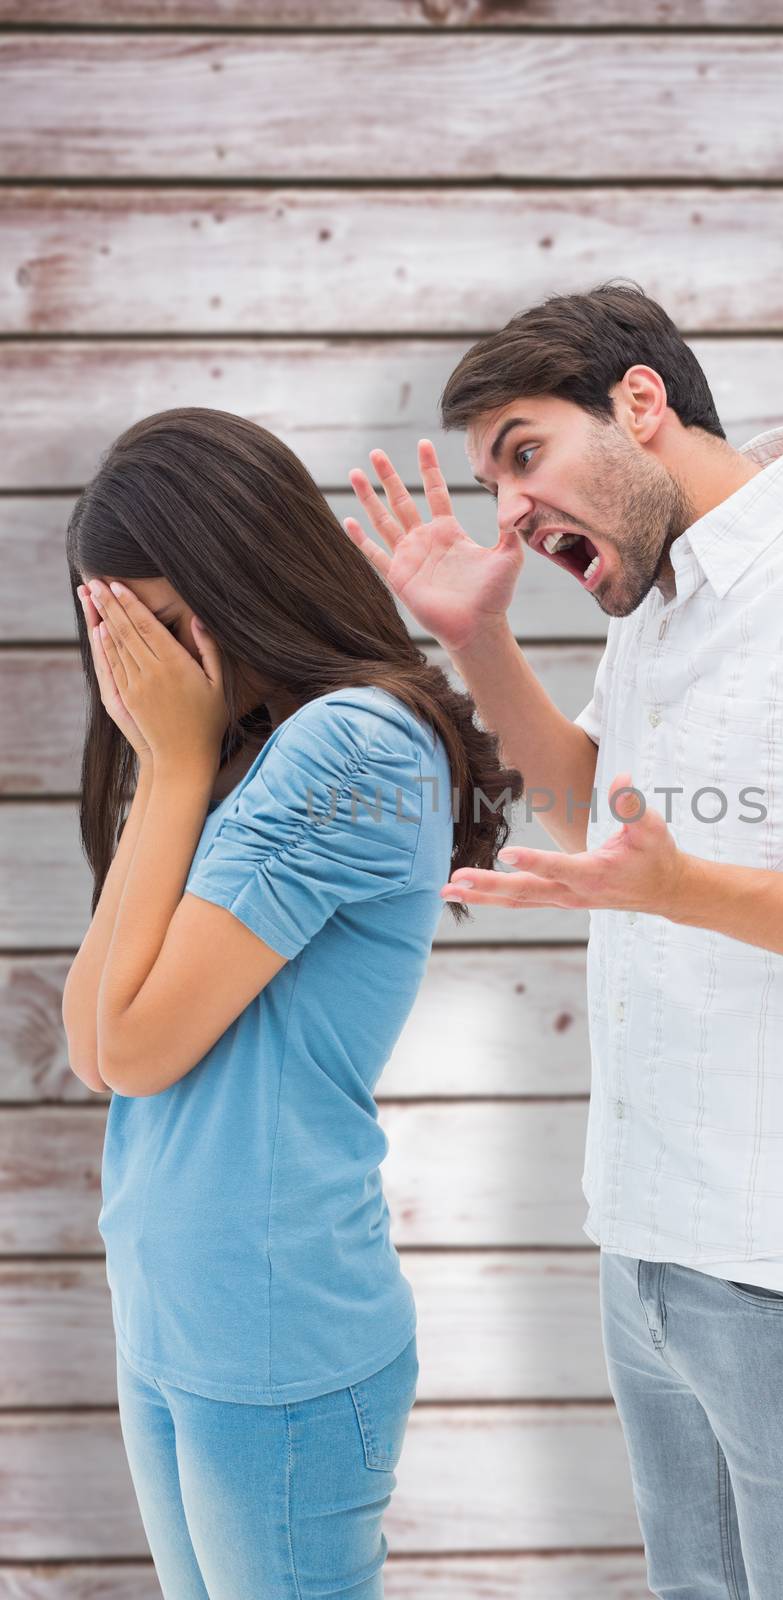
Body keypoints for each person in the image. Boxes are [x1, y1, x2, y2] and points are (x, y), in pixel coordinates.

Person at [343, 283, 783, 1599]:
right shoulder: (668, 603)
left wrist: (681, 889)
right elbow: (592, 807)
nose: (514, 511)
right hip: (653, 1241)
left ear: (640, 403)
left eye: (525, 453)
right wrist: (478, 638)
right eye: (494, 483)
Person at [61, 406, 521, 1600]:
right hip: (174, 1313)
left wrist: (168, 766)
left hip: (275, 1331)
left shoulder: (356, 744)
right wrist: (176, 765)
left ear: (243, 576)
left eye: (160, 629)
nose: (139, 672)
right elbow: (95, 1050)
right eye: (115, 637)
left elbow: (144, 1042)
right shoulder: (235, 748)